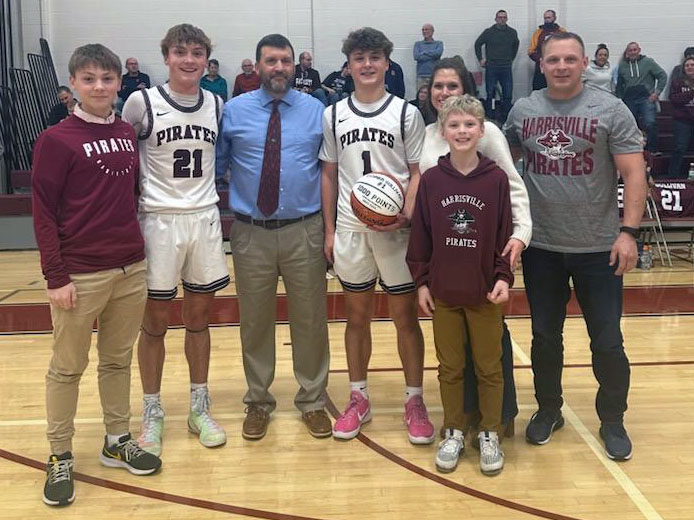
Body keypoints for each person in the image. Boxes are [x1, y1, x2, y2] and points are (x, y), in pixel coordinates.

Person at [504, 32, 648, 461]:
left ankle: (612, 419)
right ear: (541, 64)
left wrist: (629, 233)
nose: (562, 66)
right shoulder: (523, 110)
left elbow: (634, 173)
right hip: (541, 246)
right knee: (545, 338)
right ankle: (550, 409)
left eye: (570, 59)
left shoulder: (610, 108)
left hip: (599, 248)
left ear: (585, 62)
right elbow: (500, 161)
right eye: (553, 60)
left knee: (607, 340)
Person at [32, 43, 161, 507]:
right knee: (67, 367)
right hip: (80, 275)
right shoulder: (56, 139)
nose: (100, 87)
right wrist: (55, 276)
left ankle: (116, 438)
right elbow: (43, 213)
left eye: (107, 79)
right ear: (73, 86)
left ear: (117, 83)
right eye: (89, 79)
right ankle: (60, 453)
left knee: (116, 361)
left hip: (130, 267)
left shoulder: (127, 131)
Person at [321, 27, 435, 444]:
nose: (366, 65)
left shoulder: (406, 112)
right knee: (357, 316)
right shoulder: (333, 113)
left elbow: (419, 171)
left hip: (395, 231)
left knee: (406, 318)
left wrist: (406, 213)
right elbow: (330, 173)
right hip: (352, 228)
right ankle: (358, 397)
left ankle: (414, 399)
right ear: (348, 66)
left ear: (387, 63)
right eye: (358, 58)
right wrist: (330, 229)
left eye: (374, 58)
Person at [216, 33, 331, 440]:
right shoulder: (233, 111)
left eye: (285, 61)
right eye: (271, 61)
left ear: (293, 66)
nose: (279, 67)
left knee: (311, 319)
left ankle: (313, 401)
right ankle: (258, 401)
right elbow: (217, 167)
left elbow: (329, 171)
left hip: (305, 230)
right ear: (257, 65)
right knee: (255, 321)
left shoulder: (316, 109)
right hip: (251, 233)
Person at [122, 23, 229, 457]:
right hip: (158, 221)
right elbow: (120, 158)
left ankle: (198, 406)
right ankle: (152, 410)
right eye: (181, 52)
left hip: (203, 219)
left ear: (207, 59)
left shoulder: (218, 103)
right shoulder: (141, 101)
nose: (189, 60)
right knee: (155, 323)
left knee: (199, 319)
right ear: (166, 56)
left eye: (197, 52)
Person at [420, 57, 531, 441]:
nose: (444, 92)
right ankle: (458, 424)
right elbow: (422, 198)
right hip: (446, 271)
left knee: (489, 358)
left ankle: (495, 425)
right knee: (452, 362)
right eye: (438, 86)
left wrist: (519, 236)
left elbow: (510, 189)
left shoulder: (489, 137)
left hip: (484, 269)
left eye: (452, 86)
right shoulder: (427, 137)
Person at [407, 94, 512, 475]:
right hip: (444, 293)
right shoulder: (433, 179)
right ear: (442, 131)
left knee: (489, 367)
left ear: (482, 130)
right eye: (454, 125)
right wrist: (421, 282)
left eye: (469, 124)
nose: (462, 131)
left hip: (485, 293)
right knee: (449, 367)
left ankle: (489, 432)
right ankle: (453, 429)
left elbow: (505, 233)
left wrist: (503, 275)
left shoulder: (496, 178)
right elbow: (421, 236)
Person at [616, 42, 667, 154]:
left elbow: (662, 75)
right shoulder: (622, 66)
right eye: (630, 50)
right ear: (627, 52)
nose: (633, 52)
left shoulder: (648, 62)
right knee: (630, 125)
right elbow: (619, 85)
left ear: (639, 50)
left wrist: (657, 93)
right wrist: (620, 99)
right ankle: (632, 150)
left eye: (635, 50)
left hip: (646, 98)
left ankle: (652, 150)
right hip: (629, 99)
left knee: (650, 122)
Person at [474, 9, 519, 123]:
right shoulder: (489, 32)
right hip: (492, 67)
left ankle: (506, 118)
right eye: (500, 17)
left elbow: (515, 46)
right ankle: (489, 117)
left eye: (504, 17)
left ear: (507, 19)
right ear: (495, 19)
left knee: (508, 94)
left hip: (506, 67)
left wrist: (511, 59)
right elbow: (477, 44)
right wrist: (481, 59)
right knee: (490, 93)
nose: (502, 19)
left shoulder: (512, 32)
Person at [667, 56, 694, 178]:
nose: (690, 67)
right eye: (687, 65)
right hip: (682, 120)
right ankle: (673, 176)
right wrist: (690, 94)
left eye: (692, 65)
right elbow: (673, 98)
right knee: (680, 148)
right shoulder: (677, 82)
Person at [528, 10, 565, 91]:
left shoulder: (562, 32)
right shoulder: (538, 33)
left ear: (554, 18)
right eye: (545, 18)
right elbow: (531, 51)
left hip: (558, 68)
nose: (546, 20)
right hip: (541, 68)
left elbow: (567, 48)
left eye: (549, 17)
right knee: (538, 91)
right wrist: (541, 60)